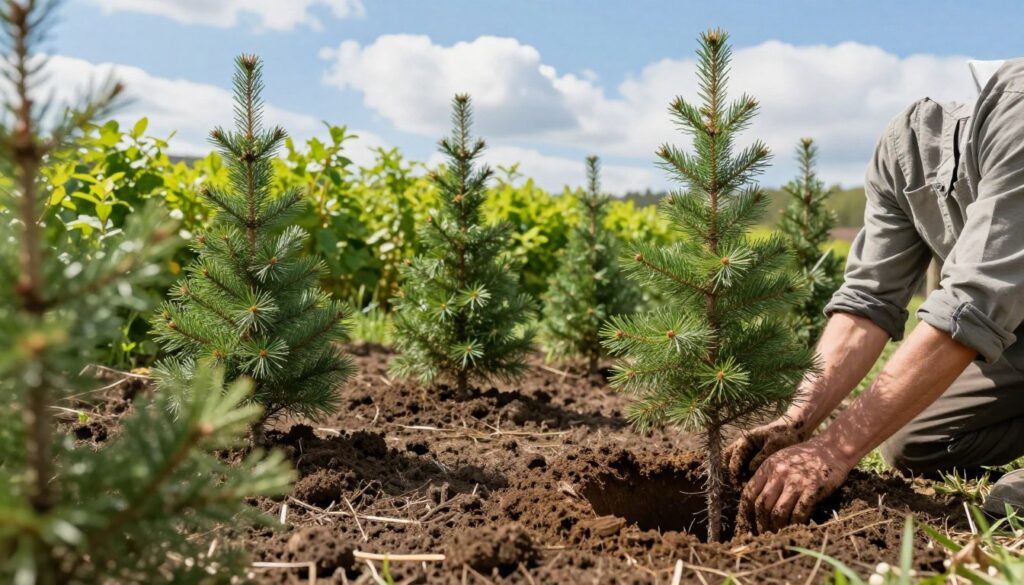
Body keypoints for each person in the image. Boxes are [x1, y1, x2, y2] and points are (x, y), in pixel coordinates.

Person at [725, 58, 1024, 534]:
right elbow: (867, 300)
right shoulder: (907, 153)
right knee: (915, 441)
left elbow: (971, 303)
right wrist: (797, 421)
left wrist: (834, 449)